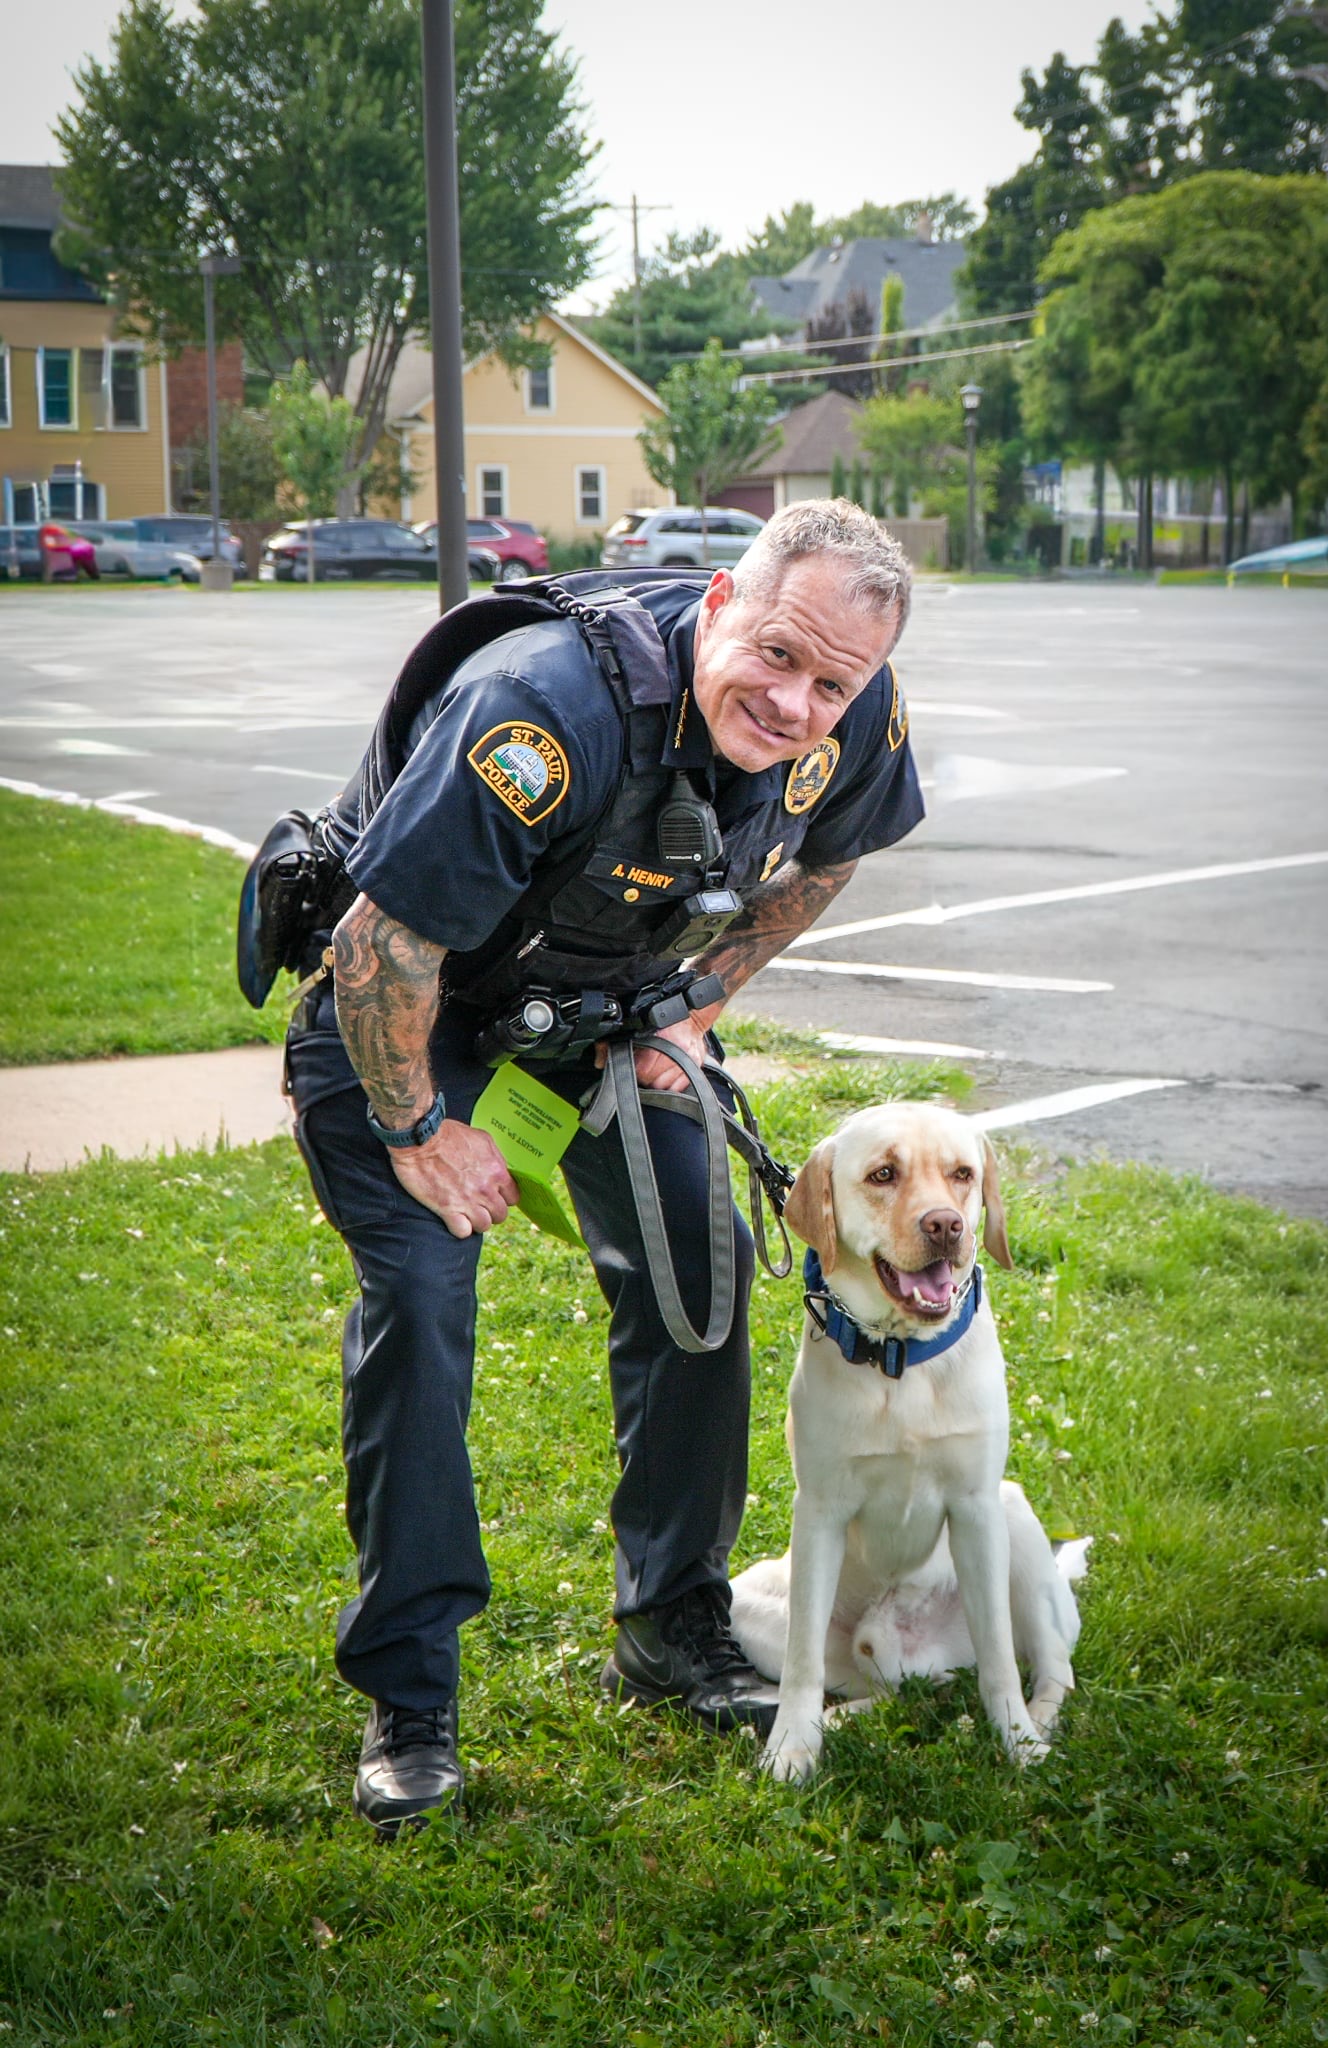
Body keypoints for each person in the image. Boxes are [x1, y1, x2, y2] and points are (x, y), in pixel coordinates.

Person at [284, 498, 924, 1835]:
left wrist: (698, 995)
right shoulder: (539, 711)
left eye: (831, 682)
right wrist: (416, 1131)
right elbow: (374, 949)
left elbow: (835, 848)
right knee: (424, 1305)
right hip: (410, 1018)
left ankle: (670, 1626)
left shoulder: (851, 710)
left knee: (703, 1256)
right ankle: (411, 1699)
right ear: (717, 606)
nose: (797, 701)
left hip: (605, 1013)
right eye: (776, 657)